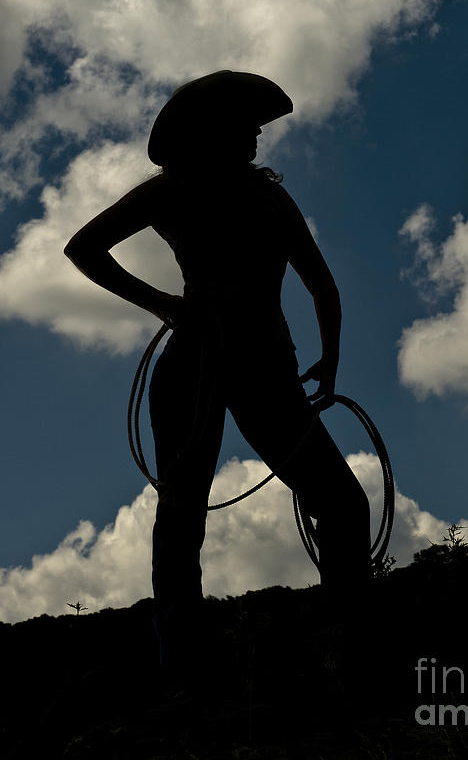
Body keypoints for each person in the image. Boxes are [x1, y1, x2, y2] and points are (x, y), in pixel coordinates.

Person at [64, 70, 371, 677]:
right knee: (185, 507)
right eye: (245, 127)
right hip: (205, 364)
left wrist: (330, 357)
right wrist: (165, 305)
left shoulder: (260, 196)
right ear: (212, 134)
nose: (256, 136)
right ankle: (185, 663)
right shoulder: (176, 192)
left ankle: (348, 628)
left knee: (335, 498)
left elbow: (321, 282)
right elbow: (84, 247)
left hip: (259, 366)